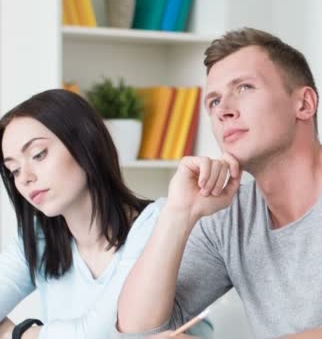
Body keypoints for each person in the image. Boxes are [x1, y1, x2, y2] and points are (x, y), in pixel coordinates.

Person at [116, 27, 322, 339]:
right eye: (213, 101)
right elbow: (140, 328)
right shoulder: (230, 213)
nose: (224, 110)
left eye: (244, 88)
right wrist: (178, 214)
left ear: (304, 104)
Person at [0, 89, 212, 339]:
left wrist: (17, 334)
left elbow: (100, 333)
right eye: (13, 169)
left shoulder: (158, 223)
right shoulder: (38, 239)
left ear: (85, 143)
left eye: (38, 154)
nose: (25, 178)